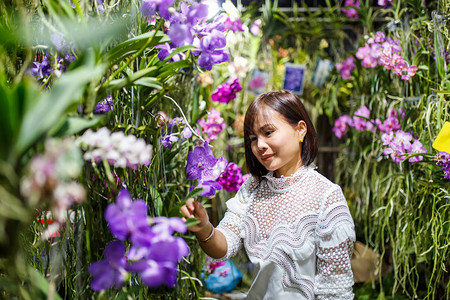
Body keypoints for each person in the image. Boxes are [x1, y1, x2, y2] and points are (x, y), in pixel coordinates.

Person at [181, 90, 355, 299]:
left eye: (268, 132)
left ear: (300, 130)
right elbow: (224, 246)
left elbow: (335, 291)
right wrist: (204, 228)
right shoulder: (252, 189)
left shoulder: (326, 196)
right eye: (253, 138)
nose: (259, 145)